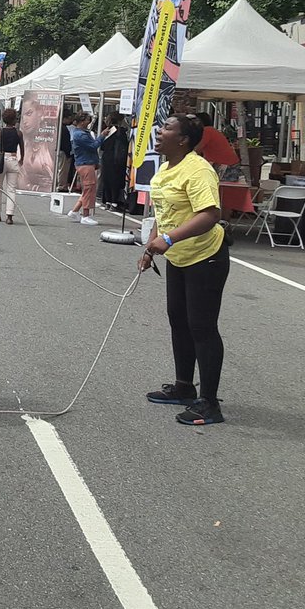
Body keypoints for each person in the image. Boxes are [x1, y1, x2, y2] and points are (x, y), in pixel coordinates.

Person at [138, 114, 230, 427]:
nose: (159, 132)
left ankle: (210, 403)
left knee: (202, 327)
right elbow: (165, 214)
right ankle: (184, 387)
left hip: (206, 257)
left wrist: (169, 239)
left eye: (166, 129)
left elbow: (210, 214)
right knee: (178, 320)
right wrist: (151, 247)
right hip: (177, 257)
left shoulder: (198, 170)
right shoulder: (165, 168)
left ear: (183, 140)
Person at [66, 113, 102, 226]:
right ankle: (85, 215)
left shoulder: (79, 133)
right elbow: (93, 146)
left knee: (87, 189)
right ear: (82, 121)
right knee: (89, 188)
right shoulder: (81, 135)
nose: (89, 122)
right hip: (86, 163)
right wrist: (102, 136)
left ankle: (75, 211)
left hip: (85, 163)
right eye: (87, 120)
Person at [0, 108, 24, 225]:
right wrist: (21, 159)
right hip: (14, 159)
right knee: (11, 189)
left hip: (1, 159)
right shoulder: (18, 133)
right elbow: (22, 147)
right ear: (14, 119)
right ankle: (9, 216)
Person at [194, 112, 240, 179]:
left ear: (199, 122)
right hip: (226, 165)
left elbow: (196, 150)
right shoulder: (211, 130)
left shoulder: (207, 131)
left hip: (225, 167)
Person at [99, 114, 129, 211]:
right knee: (115, 181)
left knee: (106, 179)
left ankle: (107, 202)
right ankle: (114, 203)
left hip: (106, 157)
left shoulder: (106, 130)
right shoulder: (121, 132)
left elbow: (102, 146)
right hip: (117, 159)